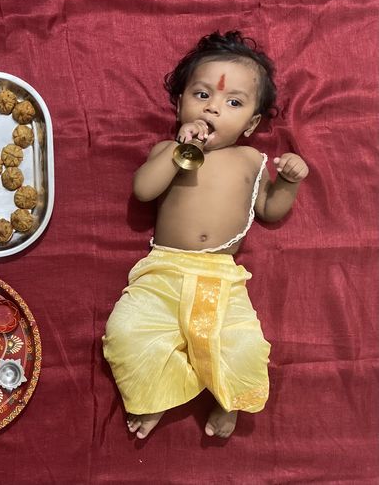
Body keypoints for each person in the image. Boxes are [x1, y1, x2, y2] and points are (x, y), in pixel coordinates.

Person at [102, 31, 308, 439]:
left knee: (245, 346)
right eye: (201, 96)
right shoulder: (167, 150)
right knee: (124, 333)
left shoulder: (250, 158)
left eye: (233, 102)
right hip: (162, 272)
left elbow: (268, 210)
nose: (213, 107)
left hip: (221, 277)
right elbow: (144, 190)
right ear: (180, 104)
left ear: (250, 124)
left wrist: (288, 182)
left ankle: (227, 397)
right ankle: (157, 395)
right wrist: (180, 153)